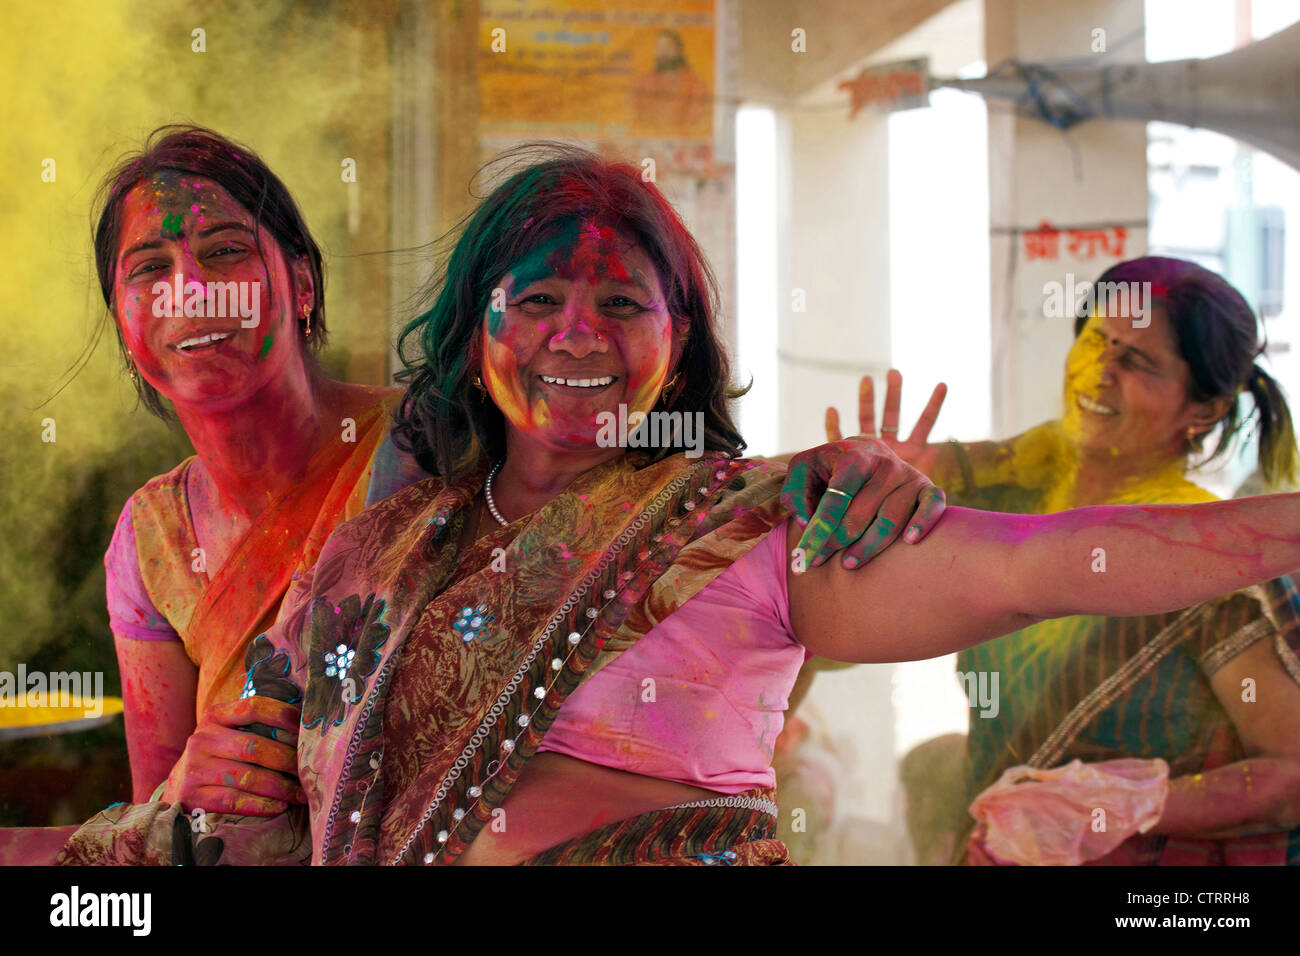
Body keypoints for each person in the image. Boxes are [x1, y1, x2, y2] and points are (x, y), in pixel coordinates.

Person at [53, 151, 1300, 867]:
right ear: (477, 328)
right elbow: (192, 834)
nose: (575, 336)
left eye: (621, 305)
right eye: (535, 300)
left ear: (680, 334)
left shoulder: (753, 522)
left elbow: (1052, 566)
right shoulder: (381, 548)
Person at [83, 125, 942, 826]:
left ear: (301, 283)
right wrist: (184, 793)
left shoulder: (439, 435)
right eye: (149, 270)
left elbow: (655, 536)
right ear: (121, 318)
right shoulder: (151, 538)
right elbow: (154, 827)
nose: (191, 292)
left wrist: (836, 483)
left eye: (226, 252)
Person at [825, 256, 1300, 865]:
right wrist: (866, 530)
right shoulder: (999, 504)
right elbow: (840, 648)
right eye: (1098, 340)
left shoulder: (1207, 562)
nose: (1100, 372)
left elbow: (1289, 778)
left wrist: (1125, 803)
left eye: (1138, 362)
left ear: (1201, 410)